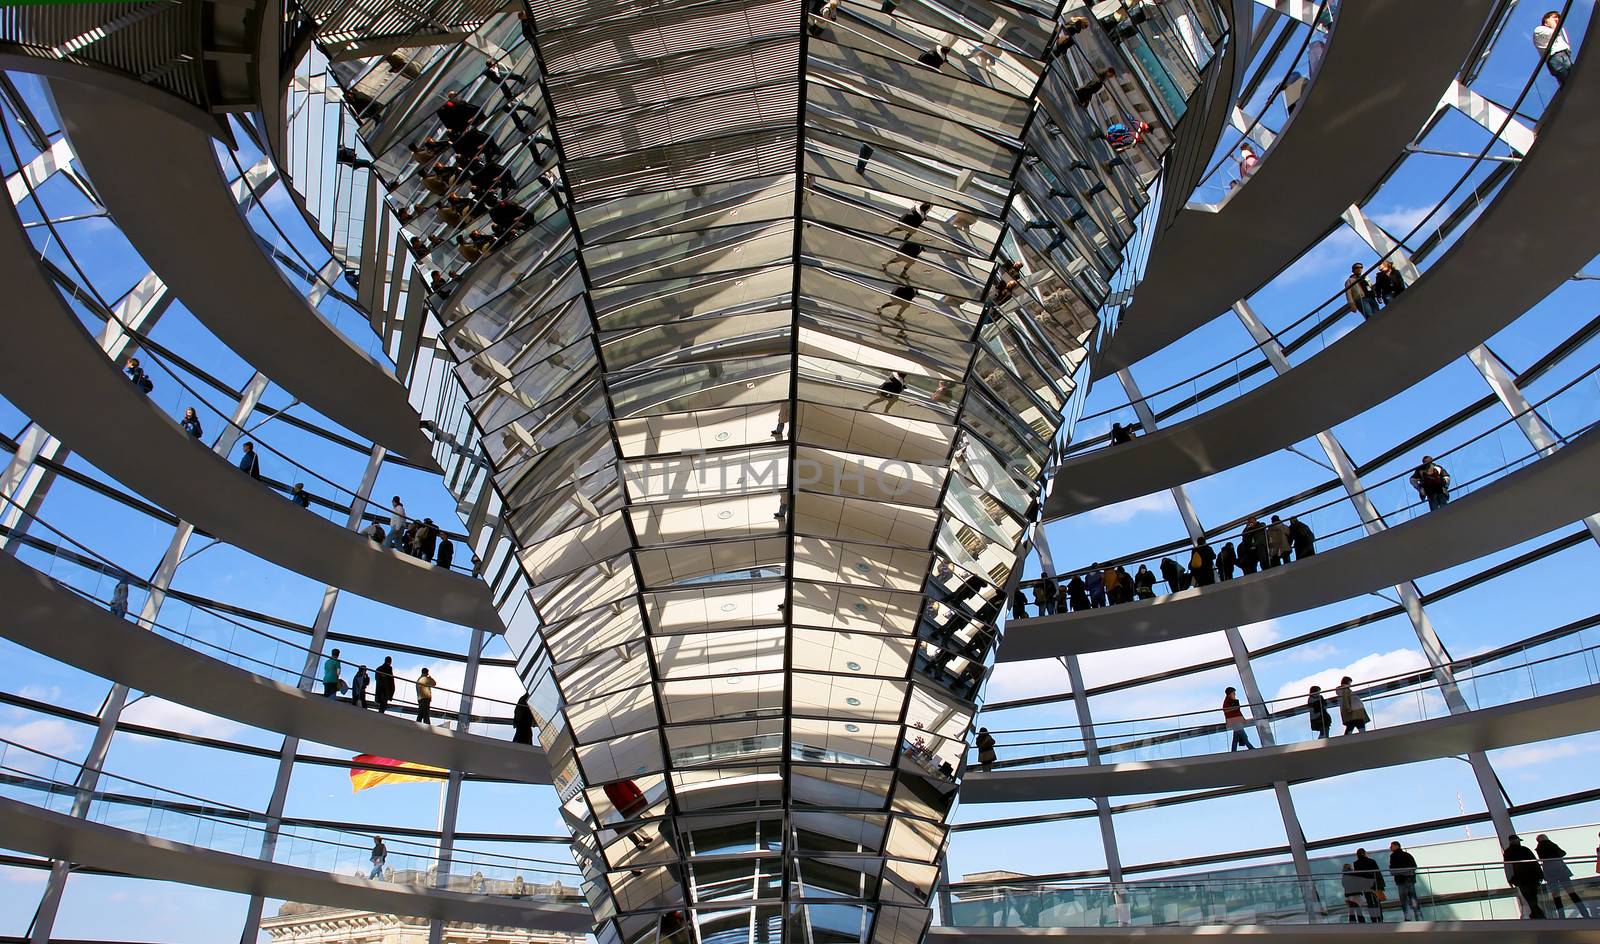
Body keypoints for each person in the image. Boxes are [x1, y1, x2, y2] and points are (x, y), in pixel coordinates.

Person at [1537, 834, 1588, 917]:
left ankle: (1561, 916)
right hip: (1561, 870)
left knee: (1556, 895)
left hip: (1549, 872)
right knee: (1572, 893)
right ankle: (1584, 913)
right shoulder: (1552, 845)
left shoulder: (1539, 848)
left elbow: (1542, 858)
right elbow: (1563, 853)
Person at [602, 778, 654, 848]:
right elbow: (612, 799)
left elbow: (632, 786)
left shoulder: (620, 778)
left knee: (645, 812)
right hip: (625, 808)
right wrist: (620, 810)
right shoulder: (606, 787)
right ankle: (646, 837)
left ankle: (658, 820)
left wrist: (639, 795)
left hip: (634, 801)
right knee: (635, 823)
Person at [1504, 835, 1546, 918]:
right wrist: (1540, 875)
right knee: (1533, 896)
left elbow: (1508, 867)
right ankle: (1537, 913)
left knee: (1527, 896)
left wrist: (1510, 879)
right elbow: (1534, 862)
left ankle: (1536, 913)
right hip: (1532, 877)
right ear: (1517, 841)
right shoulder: (1525, 849)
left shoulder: (1508, 852)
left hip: (1519, 879)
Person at [1533, 11, 1573, 84]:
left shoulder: (1561, 30)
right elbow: (1554, 33)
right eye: (1554, 17)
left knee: (1572, 76)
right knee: (1567, 80)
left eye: (1558, 18)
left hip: (1565, 54)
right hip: (1555, 57)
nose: (1557, 19)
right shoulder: (1539, 30)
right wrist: (1555, 25)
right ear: (1546, 22)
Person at [1389, 841, 1420, 920]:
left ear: (1396, 846)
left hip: (1400, 880)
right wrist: (1406, 872)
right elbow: (1414, 867)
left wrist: (1399, 872)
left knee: (1404, 900)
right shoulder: (1407, 855)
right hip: (1409, 879)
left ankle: (1408, 917)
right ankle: (1418, 916)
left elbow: (1392, 870)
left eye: (1391, 846)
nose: (1390, 848)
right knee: (1413, 898)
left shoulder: (1393, 856)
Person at [1353, 848, 1386, 922]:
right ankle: (1380, 918)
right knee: (1377, 901)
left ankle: (1373, 919)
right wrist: (1381, 884)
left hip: (1364, 885)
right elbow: (1377, 873)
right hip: (1374, 884)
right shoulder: (1372, 861)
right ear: (1364, 853)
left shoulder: (1356, 863)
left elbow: (1357, 876)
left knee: (1370, 902)